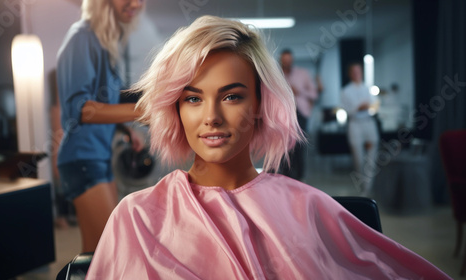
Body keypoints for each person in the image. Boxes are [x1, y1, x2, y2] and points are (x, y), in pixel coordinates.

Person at [87, 16, 450, 279]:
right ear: (176, 108)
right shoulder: (136, 215)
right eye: (193, 99)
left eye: (231, 96)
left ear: (261, 104)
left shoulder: (309, 207)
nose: (211, 117)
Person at [56, 0, 145, 253]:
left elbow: (106, 101)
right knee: (107, 252)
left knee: (100, 254)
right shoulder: (82, 37)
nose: (136, 3)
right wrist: (140, 112)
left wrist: (126, 129)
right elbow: (80, 108)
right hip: (81, 158)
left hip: (99, 156)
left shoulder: (105, 42)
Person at [340, 62, 380, 196]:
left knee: (371, 158)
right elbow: (348, 110)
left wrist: (366, 107)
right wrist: (360, 107)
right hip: (355, 125)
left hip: (368, 123)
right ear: (350, 74)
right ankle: (363, 185)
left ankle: (368, 187)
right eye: (354, 71)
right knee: (359, 159)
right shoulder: (346, 91)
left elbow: (374, 106)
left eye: (359, 71)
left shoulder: (368, 89)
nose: (357, 74)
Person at [278, 49, 318, 180]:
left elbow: (313, 94)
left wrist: (298, 91)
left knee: (299, 147)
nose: (287, 63)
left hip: (300, 113)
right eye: (284, 61)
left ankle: (299, 179)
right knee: (284, 147)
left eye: (289, 61)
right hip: (282, 115)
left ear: (292, 60)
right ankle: (286, 178)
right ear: (281, 61)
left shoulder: (303, 74)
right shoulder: (276, 75)